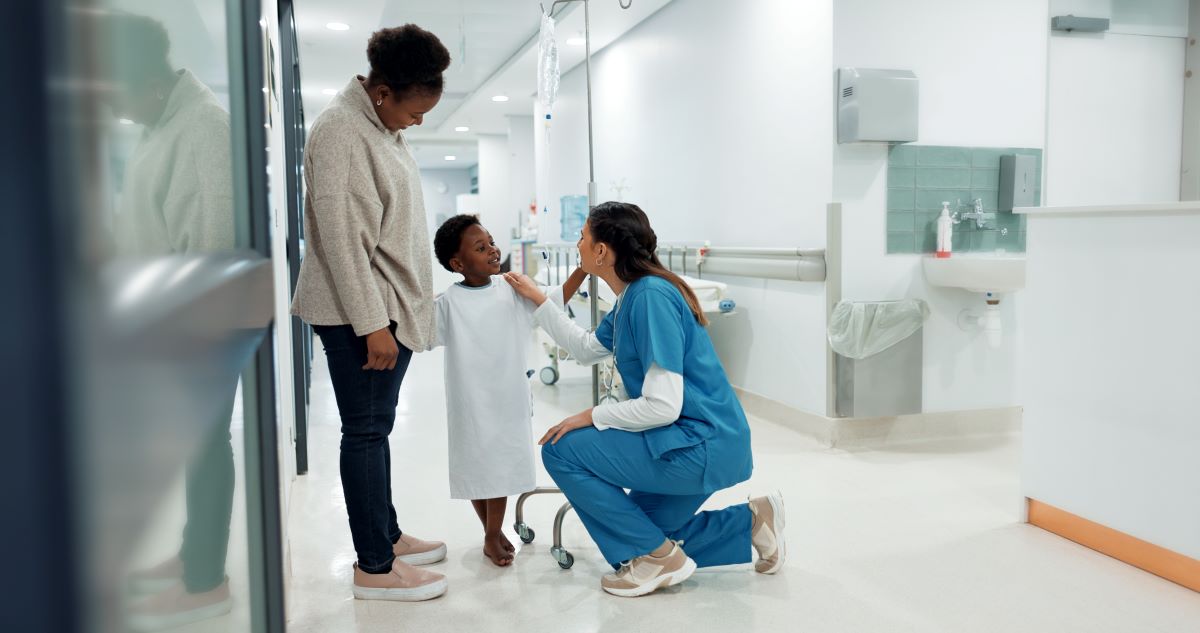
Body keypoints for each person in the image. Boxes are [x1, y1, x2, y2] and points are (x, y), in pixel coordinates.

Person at [503, 201, 786, 598]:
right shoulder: (631, 297)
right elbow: (585, 349)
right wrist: (539, 299)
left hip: (698, 445)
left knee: (561, 449)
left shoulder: (650, 296)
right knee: (644, 534)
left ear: (602, 251)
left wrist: (592, 415)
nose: (578, 244)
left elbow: (662, 405)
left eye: (582, 237)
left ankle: (657, 559)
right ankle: (752, 521)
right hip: (693, 441)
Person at [290, 24, 450, 602]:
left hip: (384, 306)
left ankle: (386, 532)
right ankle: (375, 567)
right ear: (383, 93)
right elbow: (339, 240)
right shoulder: (340, 132)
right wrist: (372, 325)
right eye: (416, 109)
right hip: (362, 314)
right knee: (364, 433)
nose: (420, 120)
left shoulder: (377, 125)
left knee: (374, 430)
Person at [99, 10, 237, 630]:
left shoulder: (204, 128)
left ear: (149, 81)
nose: (114, 110)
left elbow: (208, 243)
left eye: (118, 96)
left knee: (206, 447)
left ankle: (205, 581)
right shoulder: (161, 122)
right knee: (192, 446)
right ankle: (191, 557)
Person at [428, 215, 586, 566]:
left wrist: (584, 270)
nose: (493, 250)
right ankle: (492, 533)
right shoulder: (448, 303)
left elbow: (554, 298)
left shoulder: (511, 289)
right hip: (469, 401)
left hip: (506, 398)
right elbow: (419, 333)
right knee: (476, 469)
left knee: (497, 468)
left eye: (491, 242)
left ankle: (491, 534)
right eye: (480, 248)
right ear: (458, 264)